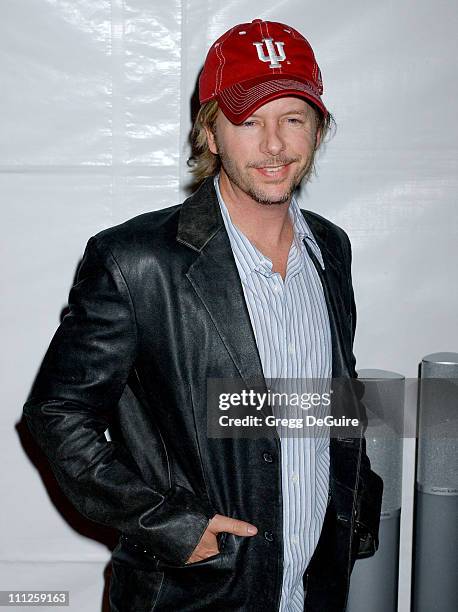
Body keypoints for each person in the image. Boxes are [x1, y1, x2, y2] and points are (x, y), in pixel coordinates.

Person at [23, 18, 383, 612]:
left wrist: (353, 495)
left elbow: (330, 395)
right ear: (210, 134)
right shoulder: (136, 261)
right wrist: (170, 526)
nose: (274, 145)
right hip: (197, 594)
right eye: (248, 122)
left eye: (293, 118)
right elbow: (57, 413)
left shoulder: (331, 249)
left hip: (313, 586)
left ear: (317, 131)